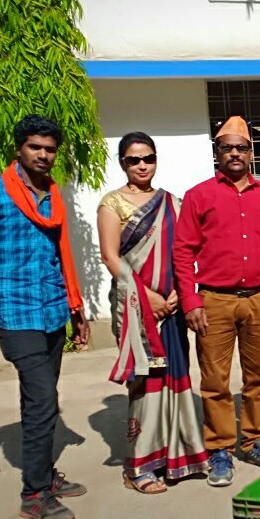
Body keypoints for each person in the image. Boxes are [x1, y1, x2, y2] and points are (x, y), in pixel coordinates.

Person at [0, 114, 89, 519]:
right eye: (35, 146)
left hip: (53, 310)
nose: (43, 155)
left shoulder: (54, 196)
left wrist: (76, 310)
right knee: (43, 400)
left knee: (41, 400)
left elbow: (62, 257)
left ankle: (45, 476)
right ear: (19, 148)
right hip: (16, 314)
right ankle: (34, 495)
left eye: (50, 149)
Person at [173, 117, 260, 487]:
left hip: (258, 299)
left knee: (258, 377)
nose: (234, 154)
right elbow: (182, 251)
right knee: (215, 381)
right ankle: (220, 449)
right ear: (217, 153)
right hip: (214, 301)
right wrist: (191, 301)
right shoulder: (198, 196)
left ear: (251, 152)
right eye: (227, 148)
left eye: (241, 147)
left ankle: (254, 441)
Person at [97, 132, 209, 494]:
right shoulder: (112, 204)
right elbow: (110, 256)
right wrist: (148, 297)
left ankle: (178, 457)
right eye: (134, 160)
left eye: (148, 158)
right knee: (146, 383)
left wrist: (178, 293)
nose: (142, 165)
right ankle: (139, 468)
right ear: (122, 163)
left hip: (171, 306)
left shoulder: (172, 203)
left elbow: (184, 251)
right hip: (135, 307)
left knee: (176, 376)